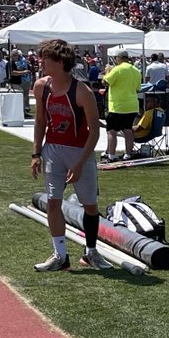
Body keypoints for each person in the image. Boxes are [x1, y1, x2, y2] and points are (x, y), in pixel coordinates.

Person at [30, 39, 112, 272]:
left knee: (90, 206)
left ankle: (91, 252)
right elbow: (40, 121)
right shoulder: (41, 87)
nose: (41, 62)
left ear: (59, 61)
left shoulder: (82, 91)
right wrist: (36, 152)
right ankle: (60, 255)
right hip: (53, 150)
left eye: (46, 58)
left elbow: (95, 131)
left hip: (79, 151)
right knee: (53, 202)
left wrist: (80, 163)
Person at [102, 51, 142, 160]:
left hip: (118, 106)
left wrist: (107, 72)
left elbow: (105, 82)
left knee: (111, 131)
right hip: (132, 105)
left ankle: (111, 154)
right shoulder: (136, 70)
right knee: (128, 130)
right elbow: (138, 88)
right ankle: (128, 154)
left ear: (119, 58)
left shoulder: (117, 69)